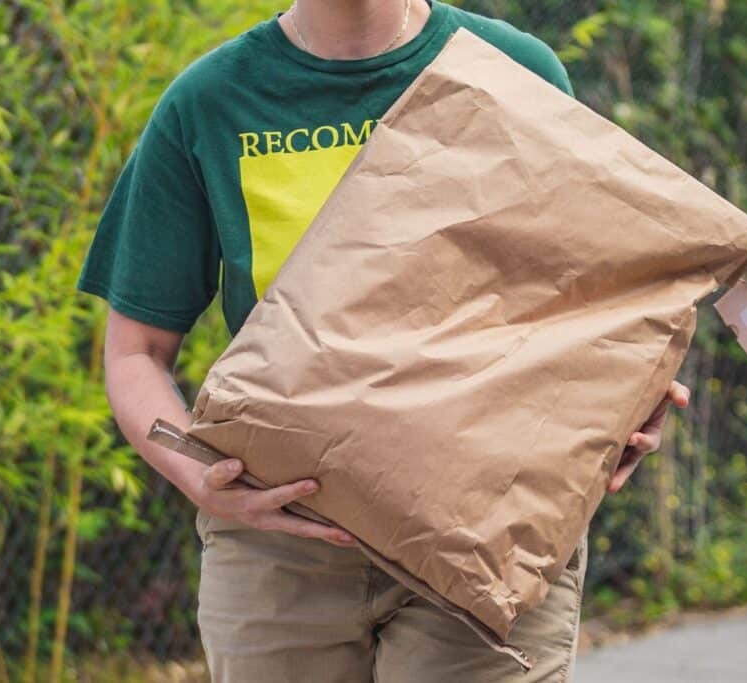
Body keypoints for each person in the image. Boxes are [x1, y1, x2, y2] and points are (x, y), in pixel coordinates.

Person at [77, 1, 691, 680]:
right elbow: (136, 353)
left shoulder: (514, 70)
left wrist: (627, 400)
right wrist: (206, 482)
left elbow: (591, 300)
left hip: (484, 525)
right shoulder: (210, 103)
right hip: (281, 541)